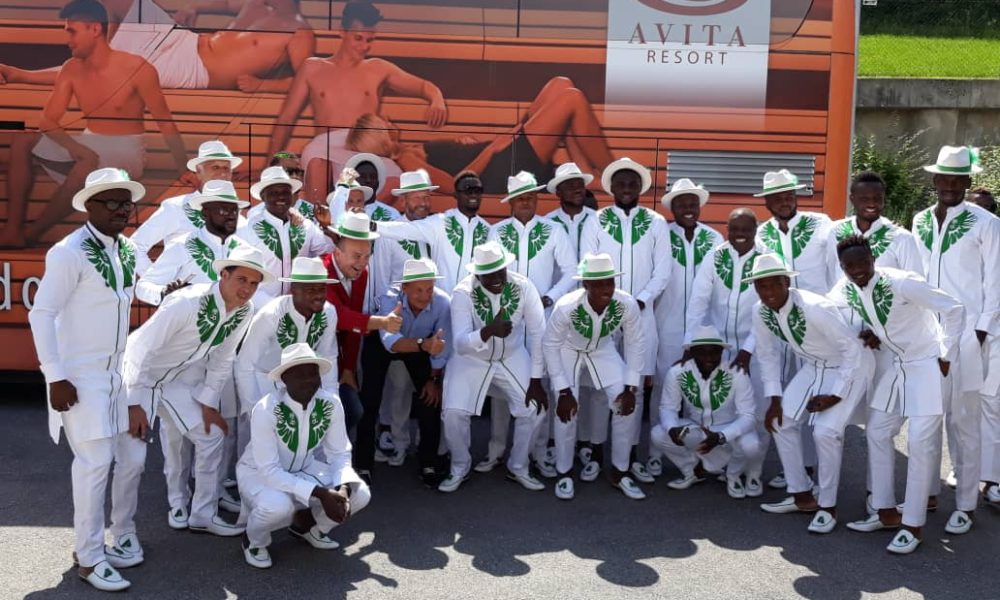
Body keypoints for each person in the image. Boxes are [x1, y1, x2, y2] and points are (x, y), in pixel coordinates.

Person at [28, 168, 147, 592]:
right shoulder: (68, 252)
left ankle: (118, 536)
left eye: (126, 203)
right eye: (111, 202)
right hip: (80, 377)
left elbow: (145, 285)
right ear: (89, 206)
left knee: (132, 459)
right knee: (94, 466)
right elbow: (40, 314)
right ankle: (89, 557)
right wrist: (55, 376)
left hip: (118, 376)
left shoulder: (127, 249)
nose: (121, 210)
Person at [0, 0, 194, 249]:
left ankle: (32, 234)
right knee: (22, 140)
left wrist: (182, 169)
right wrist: (76, 148)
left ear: (94, 30)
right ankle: (13, 229)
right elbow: (48, 119)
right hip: (87, 142)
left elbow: (165, 122)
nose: (67, 39)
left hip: (125, 150)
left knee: (85, 163)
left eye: (72, 31)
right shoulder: (71, 69)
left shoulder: (137, 69)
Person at [123, 245, 269, 536]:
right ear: (223, 275)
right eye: (242, 279)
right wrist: (133, 402)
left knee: (206, 435)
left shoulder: (245, 311)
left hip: (176, 380)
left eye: (254, 283)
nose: (248, 289)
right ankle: (131, 528)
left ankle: (200, 513)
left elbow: (223, 359)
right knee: (130, 459)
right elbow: (140, 349)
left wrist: (207, 403)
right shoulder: (186, 302)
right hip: (141, 378)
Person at [831, 236, 964, 554]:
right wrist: (866, 330)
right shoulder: (847, 288)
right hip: (897, 365)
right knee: (877, 431)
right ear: (843, 268)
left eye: (863, 262)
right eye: (850, 266)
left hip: (928, 365)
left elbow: (954, 309)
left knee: (920, 442)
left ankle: (913, 525)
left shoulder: (903, 281)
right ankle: (886, 511)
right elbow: (833, 311)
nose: (858, 270)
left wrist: (946, 355)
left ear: (873, 258)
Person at [265, 0, 448, 203]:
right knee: (318, 162)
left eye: (369, 40)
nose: (364, 47)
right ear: (342, 31)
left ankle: (363, 225)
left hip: (365, 149)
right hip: (325, 148)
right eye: (358, 38)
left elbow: (423, 86)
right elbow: (286, 118)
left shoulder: (378, 69)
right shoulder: (313, 68)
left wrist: (436, 99)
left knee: (395, 180)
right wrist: (270, 165)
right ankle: (320, 225)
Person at [748, 253, 873, 534]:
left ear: (786, 283)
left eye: (773, 285)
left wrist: (836, 395)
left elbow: (852, 350)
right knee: (781, 422)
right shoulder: (759, 311)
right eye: (761, 286)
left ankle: (827, 507)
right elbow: (767, 355)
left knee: (825, 432)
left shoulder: (814, 307)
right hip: (815, 366)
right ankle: (801, 495)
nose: (768, 293)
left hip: (850, 365)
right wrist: (774, 400)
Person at [910, 145, 1000, 535]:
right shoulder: (919, 221)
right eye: (943, 178)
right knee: (927, 417)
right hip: (928, 336)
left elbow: (995, 282)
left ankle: (965, 503)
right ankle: (925, 493)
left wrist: (980, 333)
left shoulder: (986, 222)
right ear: (934, 181)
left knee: (964, 423)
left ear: (967, 182)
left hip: (967, 338)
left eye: (957, 179)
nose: (949, 185)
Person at [339, 75, 614, 196]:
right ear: (381, 135)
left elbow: (456, 161)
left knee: (561, 85)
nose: (388, 119)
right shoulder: (407, 163)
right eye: (383, 122)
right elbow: (456, 185)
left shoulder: (409, 150)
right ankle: (615, 173)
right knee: (571, 99)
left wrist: (471, 146)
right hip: (503, 169)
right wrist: (491, 148)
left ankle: (587, 174)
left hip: (502, 155)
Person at [237, 343, 370, 569]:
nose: (309, 380)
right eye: (300, 374)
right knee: (279, 507)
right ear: (284, 379)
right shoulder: (266, 408)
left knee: (360, 493)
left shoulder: (330, 403)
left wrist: (342, 490)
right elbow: (269, 471)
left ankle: (308, 528)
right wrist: (321, 494)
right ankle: (254, 540)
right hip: (257, 473)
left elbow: (339, 453)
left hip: (304, 468)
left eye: (313, 373)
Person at [580, 157, 670, 484]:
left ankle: (630, 456)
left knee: (636, 386)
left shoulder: (656, 222)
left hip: (642, 313)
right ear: (612, 187)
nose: (627, 189)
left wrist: (640, 300)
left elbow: (663, 271)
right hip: (603, 311)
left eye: (633, 183)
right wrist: (606, 303)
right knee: (597, 386)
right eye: (622, 183)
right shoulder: (598, 220)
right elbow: (588, 264)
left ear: (641, 187)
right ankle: (596, 450)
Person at [1, 0, 315, 92]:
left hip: (195, 69)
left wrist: (263, 85)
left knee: (107, 70)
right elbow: (225, 5)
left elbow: (306, 83)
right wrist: (197, 8)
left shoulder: (300, 32)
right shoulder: (257, 4)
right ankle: (107, 43)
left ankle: (20, 75)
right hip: (186, 40)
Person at [438, 242, 548, 493]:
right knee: (453, 413)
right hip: (472, 359)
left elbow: (538, 333)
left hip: (512, 355)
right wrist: (487, 332)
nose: (498, 278)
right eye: (489, 274)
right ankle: (459, 467)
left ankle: (518, 466)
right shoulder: (462, 292)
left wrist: (536, 379)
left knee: (535, 407)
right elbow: (461, 344)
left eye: (501, 271)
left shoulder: (523, 286)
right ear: (477, 274)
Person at [542, 253, 646, 500]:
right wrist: (564, 391)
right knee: (566, 411)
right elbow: (550, 345)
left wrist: (631, 387)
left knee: (626, 405)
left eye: (609, 282)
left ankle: (620, 471)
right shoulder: (567, 306)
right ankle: (564, 472)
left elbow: (636, 343)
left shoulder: (626, 304)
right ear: (585, 284)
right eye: (597, 283)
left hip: (602, 349)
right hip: (568, 350)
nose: (605, 289)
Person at [684, 208, 768, 496]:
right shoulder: (716, 255)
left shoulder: (766, 258)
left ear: (756, 229)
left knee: (756, 408)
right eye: (734, 229)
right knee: (722, 407)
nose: (740, 235)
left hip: (756, 348)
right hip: (718, 346)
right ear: (727, 230)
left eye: (746, 229)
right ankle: (727, 466)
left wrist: (747, 351)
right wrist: (690, 344)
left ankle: (754, 472)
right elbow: (699, 300)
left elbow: (768, 307)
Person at [649, 178, 723, 477]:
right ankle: (655, 453)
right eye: (681, 204)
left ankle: (704, 456)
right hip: (666, 326)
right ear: (673, 208)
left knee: (700, 391)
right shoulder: (662, 236)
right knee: (663, 391)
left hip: (706, 328)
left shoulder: (715, 239)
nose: (688, 208)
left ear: (700, 205)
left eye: (692, 203)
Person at [356, 258, 452, 486]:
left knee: (431, 399)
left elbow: (441, 345)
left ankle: (428, 462)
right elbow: (390, 342)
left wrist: (433, 378)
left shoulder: (443, 303)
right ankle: (362, 465)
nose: (425, 295)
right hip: (382, 345)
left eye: (429, 288)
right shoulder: (390, 299)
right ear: (404, 288)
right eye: (418, 289)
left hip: (420, 345)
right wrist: (423, 344)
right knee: (369, 402)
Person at [235, 257, 340, 453]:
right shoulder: (271, 315)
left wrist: (332, 398)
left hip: (304, 385)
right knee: (259, 448)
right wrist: (254, 409)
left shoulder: (329, 313)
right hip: (263, 381)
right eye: (311, 290)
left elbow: (329, 356)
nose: (318, 296)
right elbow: (245, 364)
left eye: (321, 289)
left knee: (307, 444)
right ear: (294, 290)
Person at [650, 325, 759, 500]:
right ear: (692, 352)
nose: (709, 358)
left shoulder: (737, 372)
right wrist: (672, 428)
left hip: (728, 429)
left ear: (722, 352)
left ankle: (733, 474)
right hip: (697, 428)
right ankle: (691, 470)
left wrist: (721, 436)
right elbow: (668, 408)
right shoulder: (677, 372)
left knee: (751, 446)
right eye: (702, 352)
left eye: (714, 352)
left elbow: (748, 416)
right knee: (658, 434)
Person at [321, 211, 404, 435]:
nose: (362, 263)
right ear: (337, 252)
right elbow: (340, 316)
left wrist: (348, 368)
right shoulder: (321, 272)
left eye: (367, 257)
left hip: (337, 358)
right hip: (313, 357)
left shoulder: (361, 273)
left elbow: (353, 327)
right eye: (357, 256)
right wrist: (382, 322)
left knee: (351, 411)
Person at [131, 140, 244, 275]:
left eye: (226, 168)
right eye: (215, 167)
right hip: (185, 294)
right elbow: (134, 247)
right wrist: (159, 286)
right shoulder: (177, 207)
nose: (222, 173)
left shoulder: (239, 218)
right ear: (198, 172)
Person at [373, 171, 491, 292]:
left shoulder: (487, 230)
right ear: (456, 194)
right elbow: (405, 229)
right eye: (417, 198)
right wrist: (372, 226)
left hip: (470, 305)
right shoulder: (440, 222)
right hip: (431, 305)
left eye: (477, 191)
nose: (423, 203)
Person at [135, 180, 249, 305]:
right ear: (205, 213)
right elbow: (143, 287)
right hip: (187, 320)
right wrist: (164, 292)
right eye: (224, 211)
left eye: (235, 211)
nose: (231, 216)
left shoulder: (244, 249)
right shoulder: (182, 245)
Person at [239, 166, 334, 302]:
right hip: (259, 308)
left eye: (285, 192)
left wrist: (326, 225)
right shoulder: (248, 229)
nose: (281, 197)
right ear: (262, 197)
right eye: (273, 193)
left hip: (297, 308)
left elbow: (327, 251)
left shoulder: (305, 226)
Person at [826, 171, 922, 279]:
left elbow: (916, 282)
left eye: (877, 198)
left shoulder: (902, 238)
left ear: (884, 200)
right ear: (852, 199)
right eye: (864, 199)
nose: (871, 204)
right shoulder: (835, 231)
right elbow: (830, 275)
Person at [754, 169, 833, 294]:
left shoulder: (820, 223)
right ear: (767, 203)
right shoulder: (762, 233)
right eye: (778, 199)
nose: (785, 203)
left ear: (796, 198)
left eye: (789, 197)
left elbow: (838, 261)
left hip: (819, 305)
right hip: (783, 308)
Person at [546, 162, 597, 260]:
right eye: (570, 186)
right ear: (558, 193)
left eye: (580, 185)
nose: (577, 190)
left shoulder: (597, 220)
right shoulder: (548, 222)